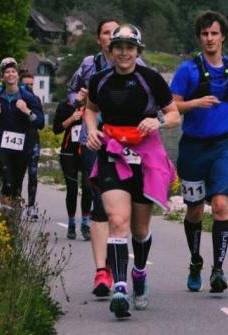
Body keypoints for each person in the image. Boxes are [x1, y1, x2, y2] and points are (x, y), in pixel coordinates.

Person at [84, 24, 179, 319]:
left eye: (130, 47)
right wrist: (91, 131)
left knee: (139, 229)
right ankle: (121, 287)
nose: (124, 53)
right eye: (119, 47)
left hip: (145, 155)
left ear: (138, 51)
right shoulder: (100, 80)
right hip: (113, 152)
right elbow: (90, 108)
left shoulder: (150, 79)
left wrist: (158, 122)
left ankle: (138, 273)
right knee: (116, 219)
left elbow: (174, 114)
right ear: (111, 50)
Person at [170, 10, 228, 293]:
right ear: (200, 38)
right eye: (205, 34)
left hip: (222, 146)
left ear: (223, 37)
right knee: (195, 210)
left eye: (214, 34)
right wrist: (195, 104)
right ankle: (195, 260)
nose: (209, 39)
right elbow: (171, 107)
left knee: (220, 205)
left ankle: (218, 270)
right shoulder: (188, 70)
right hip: (192, 149)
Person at [67, 19, 119, 297]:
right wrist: (80, 99)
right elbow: (71, 91)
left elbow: (155, 101)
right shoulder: (89, 64)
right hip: (93, 139)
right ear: (99, 39)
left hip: (123, 142)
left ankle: (115, 261)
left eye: (115, 32)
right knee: (99, 196)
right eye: (106, 33)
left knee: (120, 207)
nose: (111, 37)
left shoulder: (135, 62)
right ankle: (103, 269)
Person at [0, 58, 44, 208]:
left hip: (22, 146)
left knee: (16, 185)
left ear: (17, 76)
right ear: (2, 77)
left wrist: (26, 111)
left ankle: (13, 221)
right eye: (7, 72)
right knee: (7, 179)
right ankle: (5, 219)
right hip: (1, 144)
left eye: (13, 71)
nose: (10, 74)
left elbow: (41, 123)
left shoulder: (29, 98)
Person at [53, 87, 92, 240]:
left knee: (88, 188)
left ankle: (85, 223)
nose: (81, 96)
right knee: (72, 189)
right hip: (69, 152)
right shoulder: (65, 107)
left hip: (88, 151)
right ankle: (71, 224)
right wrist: (71, 119)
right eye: (79, 93)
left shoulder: (93, 108)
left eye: (85, 93)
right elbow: (56, 129)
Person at [20, 70, 42, 219]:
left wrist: (28, 112)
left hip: (33, 139)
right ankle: (14, 204)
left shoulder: (35, 100)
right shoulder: (15, 98)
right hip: (18, 141)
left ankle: (31, 206)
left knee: (33, 174)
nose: (29, 87)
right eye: (26, 84)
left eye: (31, 85)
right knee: (17, 174)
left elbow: (41, 123)